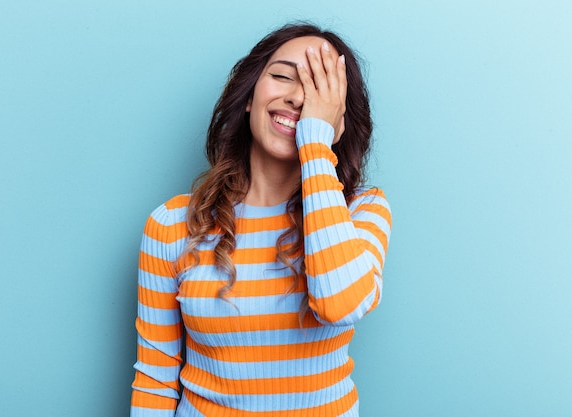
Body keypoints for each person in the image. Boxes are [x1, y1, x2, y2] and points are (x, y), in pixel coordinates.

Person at [130, 22, 392, 417]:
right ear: (249, 95)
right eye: (283, 76)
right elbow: (155, 378)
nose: (298, 98)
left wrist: (316, 146)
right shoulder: (171, 225)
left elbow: (340, 304)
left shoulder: (361, 212)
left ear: (338, 120)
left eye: (321, 92)